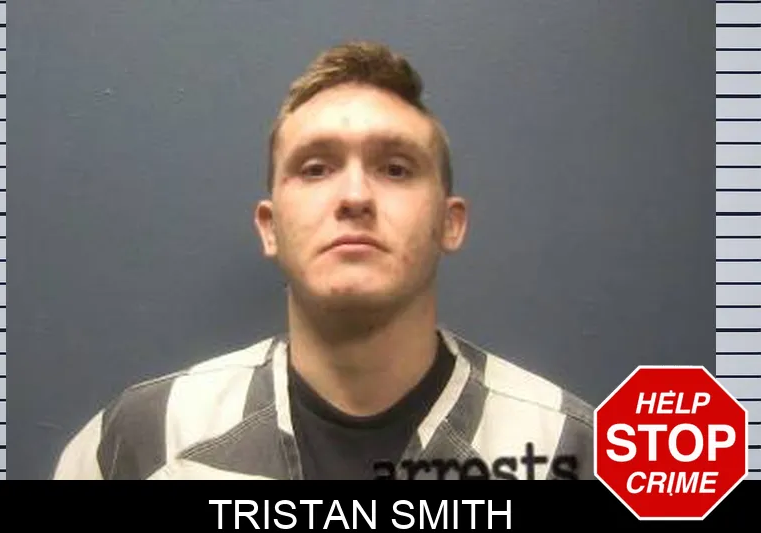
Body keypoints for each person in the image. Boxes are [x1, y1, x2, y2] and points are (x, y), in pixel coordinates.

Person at [52, 40, 594, 480]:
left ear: (450, 223)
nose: (355, 197)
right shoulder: (140, 445)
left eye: (396, 169)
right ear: (270, 228)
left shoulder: (571, 450)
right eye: (315, 169)